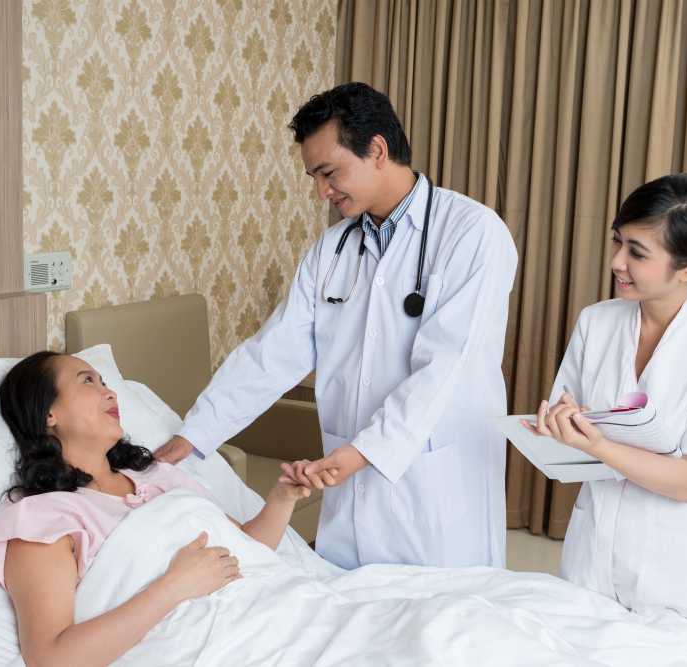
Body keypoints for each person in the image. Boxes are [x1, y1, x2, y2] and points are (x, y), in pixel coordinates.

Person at [155, 82, 518, 570]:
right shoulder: (332, 250)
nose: (322, 191)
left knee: (444, 630)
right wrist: (194, 435)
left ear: (377, 150)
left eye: (329, 173)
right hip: (347, 490)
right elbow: (272, 353)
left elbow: (444, 370)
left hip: (434, 488)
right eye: (314, 177)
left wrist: (363, 452)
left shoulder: (472, 234)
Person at [525, 173, 687, 629]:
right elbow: (563, 440)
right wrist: (554, 428)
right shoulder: (596, 322)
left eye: (637, 252)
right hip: (591, 562)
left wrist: (594, 444)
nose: (617, 261)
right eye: (618, 242)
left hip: (679, 577)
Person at [0, 351, 311, 667]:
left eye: (104, 381)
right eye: (87, 381)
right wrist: (174, 586)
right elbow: (49, 657)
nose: (110, 394)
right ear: (50, 413)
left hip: (278, 615)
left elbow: (248, 550)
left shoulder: (159, 476)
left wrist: (283, 498)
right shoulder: (44, 517)